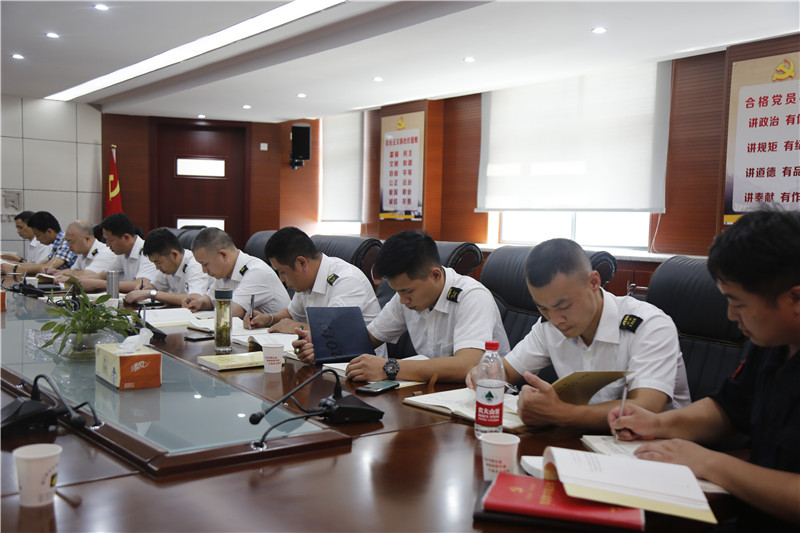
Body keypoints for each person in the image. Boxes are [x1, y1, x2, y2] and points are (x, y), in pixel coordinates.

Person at [608, 209, 800, 531]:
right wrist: (658, 423)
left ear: (795, 298)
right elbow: (728, 408)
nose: (730, 316)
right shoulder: (772, 342)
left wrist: (707, 461)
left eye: (738, 303)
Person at [467, 238, 690, 430]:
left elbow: (645, 407)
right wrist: (485, 372)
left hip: (651, 449)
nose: (555, 320)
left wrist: (560, 413)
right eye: (543, 308)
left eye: (564, 307)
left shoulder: (649, 325)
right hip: (583, 442)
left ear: (594, 282)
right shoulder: (548, 326)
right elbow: (506, 370)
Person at [295, 230, 510, 383]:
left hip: (482, 400)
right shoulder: (405, 298)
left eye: (408, 292)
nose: (403, 301)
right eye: (397, 292)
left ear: (435, 275)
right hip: (432, 393)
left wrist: (389, 367)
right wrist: (322, 346)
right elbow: (368, 338)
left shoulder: (472, 297)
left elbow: (467, 365)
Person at [244, 226, 381, 334]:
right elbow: (292, 314)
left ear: (301, 263)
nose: (281, 279)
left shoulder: (347, 280)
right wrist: (268, 319)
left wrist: (295, 327)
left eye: (283, 272)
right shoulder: (307, 281)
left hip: (357, 358)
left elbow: (333, 330)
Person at [185, 227, 290, 318]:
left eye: (205, 264)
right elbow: (210, 298)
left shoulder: (256, 271)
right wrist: (199, 303)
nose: (204, 270)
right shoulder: (224, 272)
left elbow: (229, 312)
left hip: (273, 334)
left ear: (223, 255)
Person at [122, 228, 211, 306]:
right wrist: (142, 291)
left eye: (158, 262)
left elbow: (195, 298)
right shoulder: (167, 267)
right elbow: (154, 287)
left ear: (174, 255)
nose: (157, 267)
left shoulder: (195, 265)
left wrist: (151, 294)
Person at [78, 213, 158, 293]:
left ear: (126, 237)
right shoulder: (122, 253)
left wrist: (99, 284)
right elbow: (102, 276)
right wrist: (75, 280)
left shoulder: (147, 252)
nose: (107, 245)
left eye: (110, 240)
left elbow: (140, 284)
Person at [0, 211, 76, 276]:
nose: (37, 239)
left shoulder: (66, 242)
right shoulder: (57, 244)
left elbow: (48, 267)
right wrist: (9, 264)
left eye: (38, 235)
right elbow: (39, 265)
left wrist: (15, 269)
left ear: (49, 231)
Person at [48, 220, 116, 280]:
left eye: (72, 242)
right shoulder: (82, 252)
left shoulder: (104, 252)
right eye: (67, 241)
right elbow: (74, 271)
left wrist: (69, 273)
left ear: (87, 239)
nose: (69, 246)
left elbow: (90, 275)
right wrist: (57, 272)